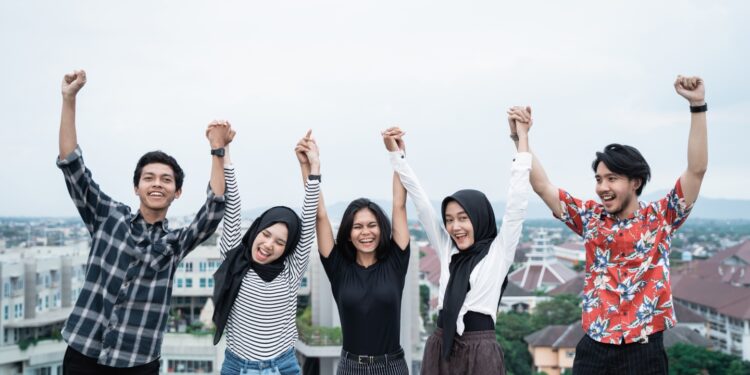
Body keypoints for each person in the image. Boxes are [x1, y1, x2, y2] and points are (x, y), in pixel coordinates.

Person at [508, 75, 708, 375]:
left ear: (635, 182)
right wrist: (520, 139)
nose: (602, 187)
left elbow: (696, 169)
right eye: (599, 179)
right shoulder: (591, 219)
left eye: (612, 178)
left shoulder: (661, 218)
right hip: (595, 349)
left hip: (645, 349)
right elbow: (543, 187)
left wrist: (697, 106)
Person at [57, 70, 230, 374]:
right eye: (148, 178)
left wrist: (218, 150)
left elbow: (212, 212)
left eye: (166, 180)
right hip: (83, 352)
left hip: (138, 361)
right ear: (136, 187)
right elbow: (73, 167)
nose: (157, 184)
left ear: (177, 193)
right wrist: (69, 99)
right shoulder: (108, 216)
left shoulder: (175, 244)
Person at [384, 124, 532, 374]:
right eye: (450, 219)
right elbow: (421, 205)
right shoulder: (447, 250)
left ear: (479, 217)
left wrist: (522, 139)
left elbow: (516, 203)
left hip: (480, 351)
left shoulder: (499, 252)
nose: (455, 226)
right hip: (441, 346)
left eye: (463, 218)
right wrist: (398, 157)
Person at [212, 130, 321, 375]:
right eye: (266, 234)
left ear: (287, 249)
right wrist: (225, 153)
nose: (269, 244)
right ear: (256, 231)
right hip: (236, 367)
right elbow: (233, 206)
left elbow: (309, 218)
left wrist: (314, 167)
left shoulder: (291, 273)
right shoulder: (234, 258)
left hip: (282, 368)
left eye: (280, 242)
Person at [312, 132, 411, 374]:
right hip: (350, 367)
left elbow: (399, 203)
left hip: (392, 366)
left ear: (381, 228)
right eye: (357, 226)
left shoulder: (396, 261)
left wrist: (397, 155)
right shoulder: (338, 268)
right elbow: (321, 215)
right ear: (348, 233)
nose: (365, 232)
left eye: (371, 225)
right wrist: (311, 167)